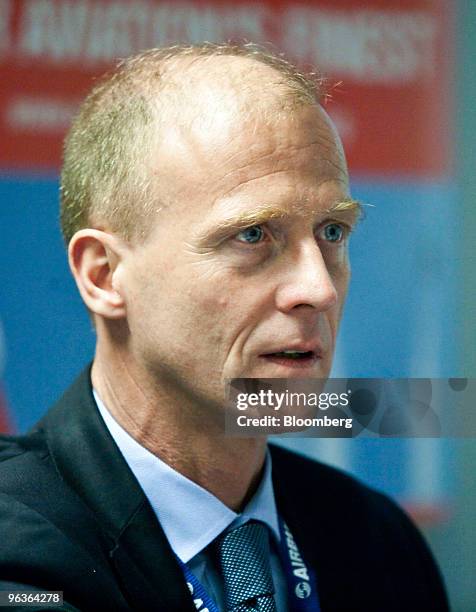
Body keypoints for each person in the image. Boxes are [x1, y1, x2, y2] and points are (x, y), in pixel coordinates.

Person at [0, 43, 448, 611]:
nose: (320, 289)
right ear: (106, 276)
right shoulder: (19, 558)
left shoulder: (378, 542)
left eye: (332, 232)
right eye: (254, 235)